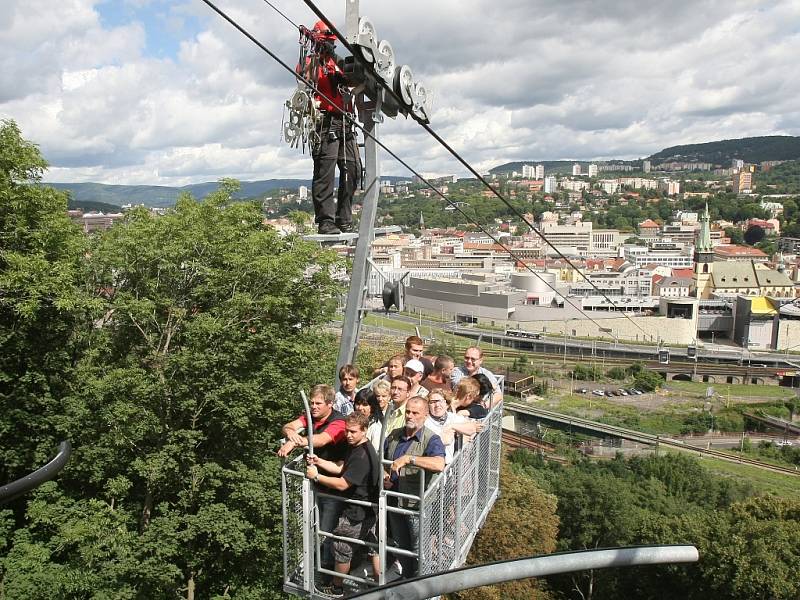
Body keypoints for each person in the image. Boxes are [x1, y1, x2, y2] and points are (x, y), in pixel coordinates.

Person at [306, 412, 381, 596]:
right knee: (372, 544)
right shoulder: (355, 447)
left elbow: (342, 484)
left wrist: (316, 476)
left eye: (353, 432)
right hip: (369, 509)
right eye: (347, 431)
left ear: (365, 431)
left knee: (341, 547)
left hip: (357, 512)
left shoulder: (362, 455)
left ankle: (336, 587)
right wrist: (319, 461)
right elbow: (341, 468)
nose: (348, 435)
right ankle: (380, 582)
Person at [278, 384, 348, 576]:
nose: (314, 407)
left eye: (318, 403)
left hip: (333, 483)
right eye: (312, 403)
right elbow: (288, 426)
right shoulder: (311, 417)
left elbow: (321, 440)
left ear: (330, 404)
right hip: (315, 480)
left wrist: (294, 441)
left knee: (326, 529)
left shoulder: (339, 422)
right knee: (313, 525)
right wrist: (291, 433)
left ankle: (325, 571)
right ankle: (317, 565)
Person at [302, 20, 361, 235]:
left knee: (352, 171)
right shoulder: (311, 61)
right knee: (325, 173)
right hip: (326, 122)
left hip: (345, 122)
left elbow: (353, 81)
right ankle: (325, 221)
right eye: (326, 42)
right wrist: (318, 56)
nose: (330, 45)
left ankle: (343, 218)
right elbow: (305, 77)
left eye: (330, 42)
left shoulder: (337, 63)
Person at [383, 396, 445, 577]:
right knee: (401, 545)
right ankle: (407, 580)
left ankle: (421, 584)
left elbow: (439, 464)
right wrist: (385, 474)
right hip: (394, 500)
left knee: (419, 549)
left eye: (415, 413)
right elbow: (383, 460)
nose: (410, 416)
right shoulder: (394, 435)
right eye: (408, 411)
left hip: (416, 505)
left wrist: (411, 459)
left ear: (425, 416)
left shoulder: (431, 439)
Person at [424, 389, 482, 464]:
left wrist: (452, 426)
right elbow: (445, 441)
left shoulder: (451, 417)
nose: (437, 405)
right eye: (433, 402)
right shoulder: (425, 422)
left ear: (446, 404)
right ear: (428, 405)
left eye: (440, 401)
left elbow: (473, 428)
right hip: (434, 465)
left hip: (450, 465)